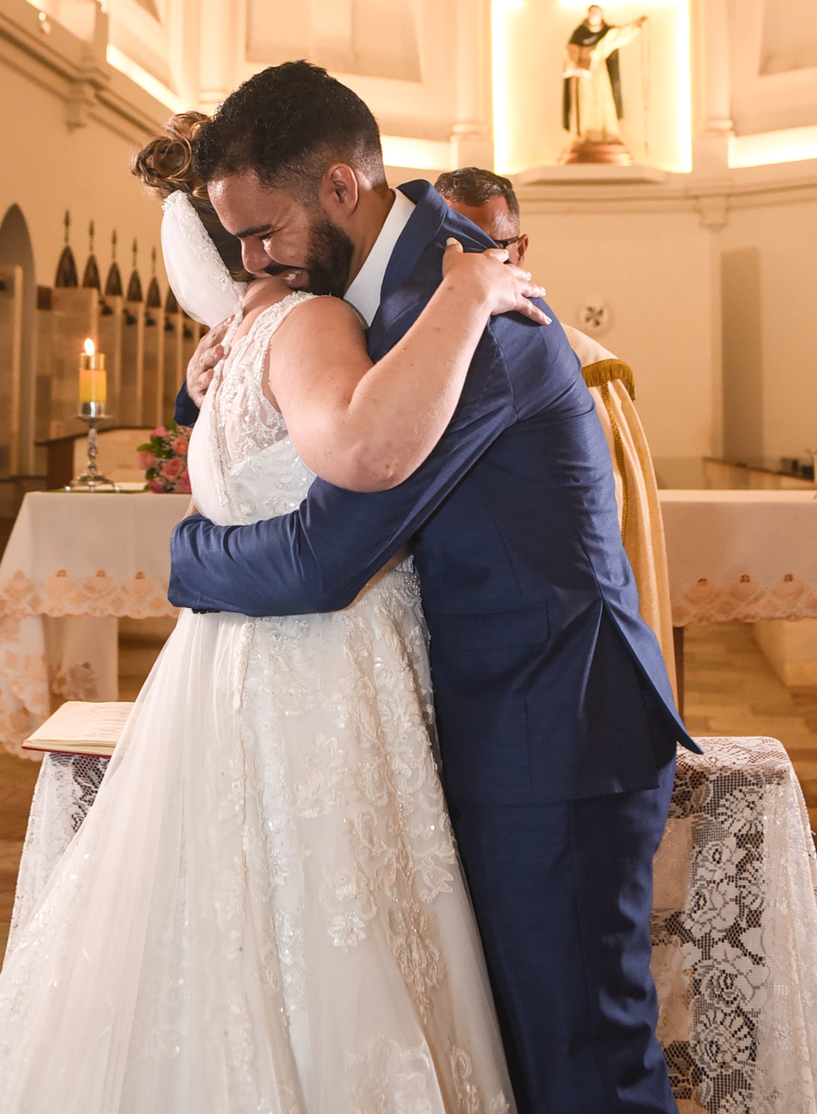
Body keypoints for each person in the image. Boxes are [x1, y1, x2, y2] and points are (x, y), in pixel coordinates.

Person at [0, 112, 544, 1114]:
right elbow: (362, 452)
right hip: (322, 669)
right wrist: (463, 301)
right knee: (334, 934)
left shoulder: (225, 352)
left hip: (226, 668)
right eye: (259, 228)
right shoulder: (311, 323)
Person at [169, 61, 696, 1114]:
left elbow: (328, 554)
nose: (251, 261)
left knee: (584, 1065)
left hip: (555, 727)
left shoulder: (468, 317)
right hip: (483, 720)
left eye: (263, 231)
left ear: (340, 188)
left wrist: (186, 558)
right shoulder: (372, 300)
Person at [433, 168, 677, 696]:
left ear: (519, 250)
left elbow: (609, 522)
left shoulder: (588, 367)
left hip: (554, 632)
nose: (475, 266)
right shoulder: (407, 357)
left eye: (489, 247)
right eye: (455, 245)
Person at [562, 3, 646, 156]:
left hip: (599, 73)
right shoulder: (579, 34)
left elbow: (621, 34)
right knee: (585, 105)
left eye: (596, 12)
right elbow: (570, 52)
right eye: (591, 12)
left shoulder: (606, 34)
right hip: (582, 77)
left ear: (601, 15)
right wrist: (575, 65)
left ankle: (607, 135)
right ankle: (584, 136)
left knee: (603, 102)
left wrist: (636, 25)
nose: (593, 15)